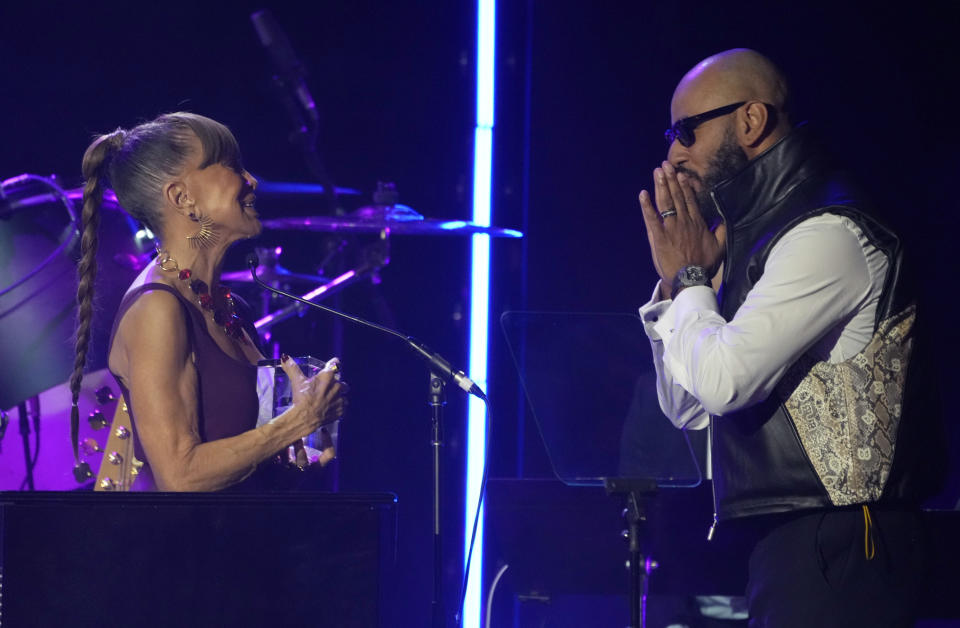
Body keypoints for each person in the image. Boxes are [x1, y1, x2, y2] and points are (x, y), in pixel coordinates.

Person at [637, 49, 941, 626]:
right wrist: (680, 286)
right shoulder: (754, 241)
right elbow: (688, 406)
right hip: (788, 541)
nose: (673, 153)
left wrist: (693, 279)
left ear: (751, 121)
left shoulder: (825, 233)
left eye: (687, 131)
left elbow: (724, 385)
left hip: (847, 545)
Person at [69, 112, 347, 492]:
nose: (251, 180)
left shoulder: (230, 307)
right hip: (188, 549)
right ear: (183, 198)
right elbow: (180, 475)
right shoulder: (157, 309)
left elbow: (236, 446)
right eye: (232, 166)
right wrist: (296, 422)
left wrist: (292, 436)